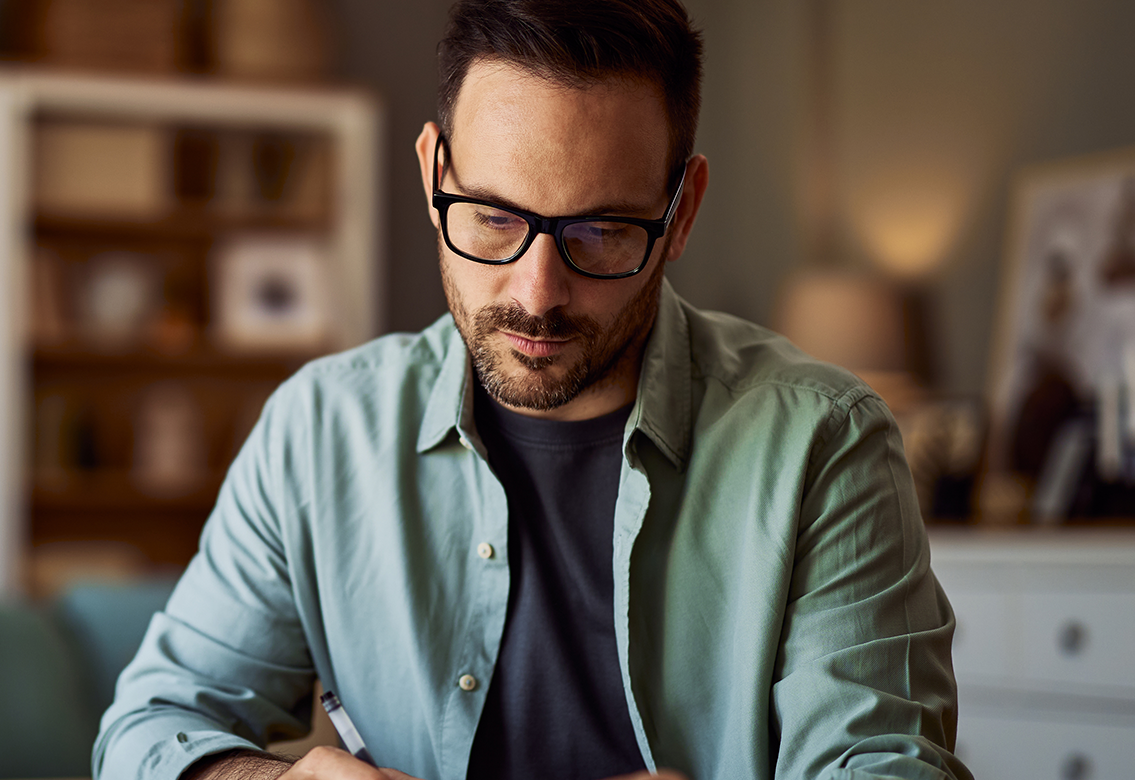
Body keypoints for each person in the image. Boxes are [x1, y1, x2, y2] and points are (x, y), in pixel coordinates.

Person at [94, 1, 966, 778]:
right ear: (433, 172)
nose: (536, 292)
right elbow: (149, 731)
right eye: (494, 218)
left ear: (682, 212)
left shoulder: (824, 444)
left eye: (600, 231)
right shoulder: (319, 431)